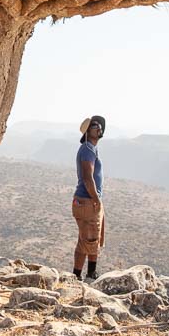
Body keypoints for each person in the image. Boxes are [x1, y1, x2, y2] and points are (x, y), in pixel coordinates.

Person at [72, 114, 105, 280]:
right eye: (94, 126)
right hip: (88, 201)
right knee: (91, 238)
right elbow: (87, 177)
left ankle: (78, 276)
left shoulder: (91, 149)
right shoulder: (87, 149)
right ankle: (88, 276)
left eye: (99, 125)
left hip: (86, 200)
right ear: (87, 132)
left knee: (86, 239)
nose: (98, 127)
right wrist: (96, 200)